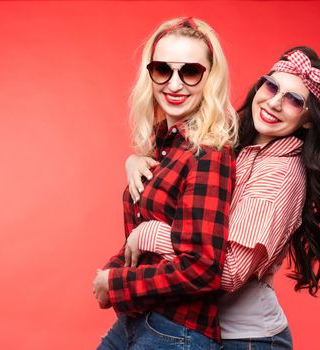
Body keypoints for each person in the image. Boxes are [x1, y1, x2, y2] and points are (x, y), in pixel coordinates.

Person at [123, 47, 320, 349]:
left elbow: (230, 272)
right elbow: (176, 178)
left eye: (294, 100)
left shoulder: (280, 176)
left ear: (309, 121)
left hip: (246, 339)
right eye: (272, 86)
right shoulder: (233, 145)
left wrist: (150, 234)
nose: (274, 102)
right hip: (184, 323)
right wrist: (136, 161)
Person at [92, 17, 239, 349]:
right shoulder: (166, 148)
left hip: (178, 331)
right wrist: (109, 272)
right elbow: (146, 240)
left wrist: (114, 283)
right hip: (141, 320)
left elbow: (201, 267)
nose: (174, 85)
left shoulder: (208, 154)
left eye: (190, 72)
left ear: (210, 78)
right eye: (163, 70)